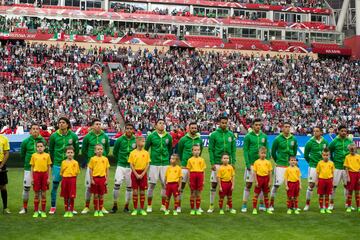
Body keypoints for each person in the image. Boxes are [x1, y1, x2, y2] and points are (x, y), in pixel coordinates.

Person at [49, 117, 79, 214]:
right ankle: (53, 206)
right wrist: (54, 162)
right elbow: (51, 150)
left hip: (69, 165)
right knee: (55, 186)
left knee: (70, 188)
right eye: (59, 122)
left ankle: (70, 207)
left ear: (67, 124)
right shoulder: (54, 136)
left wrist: (71, 160)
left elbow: (77, 150)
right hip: (57, 165)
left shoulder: (73, 136)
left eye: (63, 122)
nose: (61, 124)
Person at [208, 116, 236, 213]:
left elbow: (233, 150)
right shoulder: (214, 135)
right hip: (217, 163)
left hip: (228, 164)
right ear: (219, 123)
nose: (224, 124)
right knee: (214, 184)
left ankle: (228, 205)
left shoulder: (231, 135)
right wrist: (212, 162)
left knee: (229, 184)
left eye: (225, 123)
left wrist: (233, 162)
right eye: (222, 123)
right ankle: (211, 205)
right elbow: (210, 149)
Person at [81, 119, 110, 214]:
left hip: (102, 165)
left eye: (99, 124)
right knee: (89, 187)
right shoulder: (88, 136)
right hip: (92, 165)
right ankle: (86, 206)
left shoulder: (105, 136)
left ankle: (101, 207)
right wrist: (90, 158)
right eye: (96, 124)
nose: (98, 126)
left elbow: (107, 148)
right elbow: (84, 150)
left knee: (101, 188)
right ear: (92, 126)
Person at [241, 118, 269, 213]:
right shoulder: (248, 136)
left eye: (259, 125)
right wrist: (247, 163)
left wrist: (267, 161)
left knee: (261, 185)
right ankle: (244, 204)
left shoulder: (264, 136)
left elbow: (267, 148)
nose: (258, 126)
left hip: (262, 165)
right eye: (256, 125)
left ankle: (261, 204)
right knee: (248, 184)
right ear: (252, 126)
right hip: (252, 164)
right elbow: (245, 150)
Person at [145, 119, 172, 213]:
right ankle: (149, 205)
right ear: (156, 126)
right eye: (160, 123)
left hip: (165, 164)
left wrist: (167, 160)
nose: (162, 125)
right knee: (151, 184)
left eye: (163, 123)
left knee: (165, 185)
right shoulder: (151, 136)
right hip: (154, 164)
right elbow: (146, 149)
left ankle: (163, 205)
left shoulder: (168, 136)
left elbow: (169, 149)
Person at [19, 123, 46, 214]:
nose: (35, 130)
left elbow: (46, 154)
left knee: (38, 190)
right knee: (26, 188)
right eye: (33, 129)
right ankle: (24, 208)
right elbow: (22, 154)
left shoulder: (43, 141)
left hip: (40, 170)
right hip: (28, 168)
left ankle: (37, 209)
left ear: (39, 130)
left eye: (37, 129)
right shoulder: (25, 141)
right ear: (30, 131)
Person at [270, 122, 298, 211]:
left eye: (289, 127)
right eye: (285, 127)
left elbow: (295, 151)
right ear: (282, 128)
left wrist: (291, 159)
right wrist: (277, 160)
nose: (287, 128)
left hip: (290, 167)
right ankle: (271, 205)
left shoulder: (293, 139)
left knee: (291, 186)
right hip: (280, 166)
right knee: (276, 185)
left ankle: (291, 206)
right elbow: (273, 152)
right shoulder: (277, 139)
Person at [110, 123, 136, 214]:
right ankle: (114, 205)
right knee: (117, 184)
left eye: (130, 128)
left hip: (131, 167)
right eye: (127, 128)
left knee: (129, 187)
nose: (129, 130)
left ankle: (126, 206)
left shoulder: (135, 140)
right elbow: (115, 152)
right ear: (124, 129)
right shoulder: (120, 140)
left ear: (133, 130)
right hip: (120, 166)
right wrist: (121, 160)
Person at [177, 122, 203, 212]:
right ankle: (178, 206)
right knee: (181, 187)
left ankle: (197, 207)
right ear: (189, 128)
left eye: (195, 128)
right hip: (184, 167)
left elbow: (201, 151)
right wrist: (183, 161)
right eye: (192, 128)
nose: (194, 129)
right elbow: (179, 151)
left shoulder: (199, 140)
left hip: (195, 169)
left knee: (195, 188)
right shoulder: (183, 139)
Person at [328, 125, 353, 210]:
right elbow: (329, 150)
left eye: (345, 131)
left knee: (347, 186)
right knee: (333, 186)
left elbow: (352, 152)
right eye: (342, 131)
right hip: (337, 167)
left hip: (347, 167)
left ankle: (347, 204)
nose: (344, 132)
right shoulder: (334, 141)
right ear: (338, 131)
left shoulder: (349, 141)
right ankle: (331, 204)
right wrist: (332, 160)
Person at [303, 126, 328, 211]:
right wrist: (311, 162)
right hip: (313, 166)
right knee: (311, 185)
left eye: (317, 131)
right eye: (314, 131)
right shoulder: (309, 142)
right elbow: (306, 155)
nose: (315, 132)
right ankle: (307, 204)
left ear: (321, 132)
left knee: (322, 186)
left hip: (323, 167)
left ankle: (321, 204)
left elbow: (327, 153)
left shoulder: (325, 142)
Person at [128, 136, 150, 216]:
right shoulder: (132, 153)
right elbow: (131, 164)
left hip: (143, 173)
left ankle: (141, 209)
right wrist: (136, 174)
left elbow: (148, 164)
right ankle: (135, 209)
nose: (144, 143)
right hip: (135, 173)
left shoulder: (146, 153)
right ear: (137, 142)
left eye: (144, 141)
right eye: (142, 141)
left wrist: (143, 173)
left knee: (142, 191)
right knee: (135, 191)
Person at [30, 141, 52, 218]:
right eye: (38, 146)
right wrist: (32, 178)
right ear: (36, 148)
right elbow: (32, 167)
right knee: (36, 194)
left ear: (44, 147)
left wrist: (48, 178)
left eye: (41, 146)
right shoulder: (33, 156)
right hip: (36, 175)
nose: (39, 148)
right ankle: (36, 211)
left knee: (43, 194)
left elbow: (49, 167)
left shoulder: (47, 155)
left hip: (44, 175)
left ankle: (43, 211)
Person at [88, 144, 110, 217]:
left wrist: (107, 179)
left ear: (103, 150)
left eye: (101, 149)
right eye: (98, 149)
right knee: (95, 195)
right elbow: (90, 169)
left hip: (102, 179)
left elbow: (107, 169)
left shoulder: (105, 159)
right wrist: (91, 179)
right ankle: (96, 210)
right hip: (95, 178)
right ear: (95, 151)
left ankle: (100, 210)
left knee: (101, 195)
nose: (99, 150)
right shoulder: (92, 159)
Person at [60, 146, 80, 218]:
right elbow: (61, 173)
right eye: (68, 153)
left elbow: (77, 173)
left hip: (72, 180)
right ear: (66, 154)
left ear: (74, 153)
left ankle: (71, 210)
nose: (70, 154)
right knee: (65, 196)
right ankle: (66, 211)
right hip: (65, 180)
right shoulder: (63, 162)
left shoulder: (76, 163)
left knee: (71, 196)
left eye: (71, 152)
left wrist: (73, 181)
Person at [252, 147, 273, 215]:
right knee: (256, 194)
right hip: (259, 178)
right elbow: (254, 172)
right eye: (262, 153)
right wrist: (256, 181)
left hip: (266, 179)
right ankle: (254, 209)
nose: (263, 155)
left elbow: (270, 172)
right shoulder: (256, 162)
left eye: (264, 153)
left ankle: (267, 208)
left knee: (266, 194)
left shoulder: (268, 162)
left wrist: (270, 181)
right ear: (259, 154)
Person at [186, 145, 206, 215]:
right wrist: (189, 179)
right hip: (193, 175)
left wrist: (203, 180)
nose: (196, 151)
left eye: (198, 150)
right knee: (192, 192)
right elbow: (188, 170)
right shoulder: (190, 160)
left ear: (200, 151)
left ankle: (197, 209)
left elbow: (203, 171)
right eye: (195, 150)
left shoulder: (202, 160)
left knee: (198, 193)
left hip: (200, 175)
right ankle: (192, 209)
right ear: (192, 151)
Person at [316, 148, 334, 214]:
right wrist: (316, 181)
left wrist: (332, 181)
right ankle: (321, 208)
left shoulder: (331, 163)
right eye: (324, 155)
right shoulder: (319, 163)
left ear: (329, 155)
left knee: (327, 195)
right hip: (321, 180)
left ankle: (326, 208)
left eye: (327, 155)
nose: (325, 156)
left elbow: (332, 173)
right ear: (322, 155)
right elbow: (317, 173)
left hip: (329, 180)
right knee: (321, 194)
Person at [343, 144, 360, 212]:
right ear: (349, 150)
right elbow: (346, 168)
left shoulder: (359, 156)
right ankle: (349, 206)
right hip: (351, 174)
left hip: (358, 174)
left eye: (353, 149)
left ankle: (358, 206)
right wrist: (348, 177)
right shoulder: (347, 157)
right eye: (351, 149)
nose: (352, 150)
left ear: (356, 149)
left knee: (357, 192)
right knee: (350, 192)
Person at [0, 134, 10, 214]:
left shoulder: (4, 139)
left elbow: (6, 153)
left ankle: (5, 207)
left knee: (3, 187)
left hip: (1, 164)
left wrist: (1, 165)